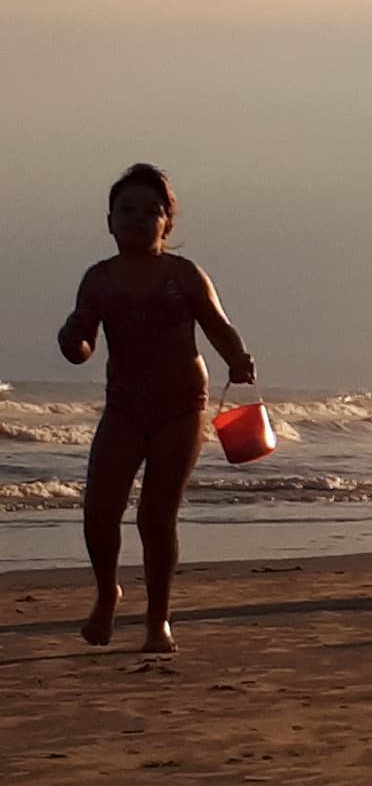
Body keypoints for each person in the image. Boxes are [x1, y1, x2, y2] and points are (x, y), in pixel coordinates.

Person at [58, 164, 257, 652]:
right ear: (109, 221)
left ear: (167, 223)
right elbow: (83, 340)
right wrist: (73, 343)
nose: (138, 219)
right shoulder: (100, 279)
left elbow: (217, 325)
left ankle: (157, 619)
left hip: (181, 405)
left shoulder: (183, 275)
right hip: (125, 407)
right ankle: (108, 595)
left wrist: (237, 358)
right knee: (99, 511)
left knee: (155, 516)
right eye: (127, 210)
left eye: (152, 211)